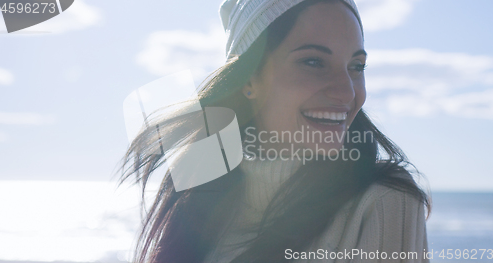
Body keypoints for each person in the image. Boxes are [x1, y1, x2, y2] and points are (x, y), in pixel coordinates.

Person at [120, 0, 431, 262]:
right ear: (250, 80)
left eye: (357, 66)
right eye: (313, 62)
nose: (347, 93)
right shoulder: (199, 203)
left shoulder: (383, 202)